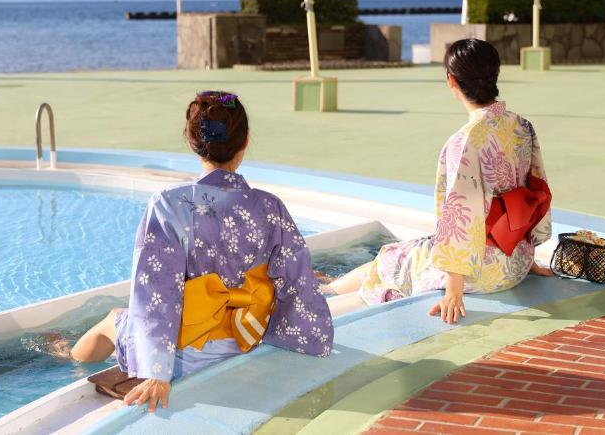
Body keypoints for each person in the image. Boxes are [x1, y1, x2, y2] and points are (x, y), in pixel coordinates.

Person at [71, 91, 334, 411]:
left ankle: (67, 363)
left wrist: (157, 371)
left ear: (192, 141)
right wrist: (309, 340)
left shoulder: (169, 205)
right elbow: (297, 283)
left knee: (113, 319)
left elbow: (155, 294)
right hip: (246, 339)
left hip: (186, 355)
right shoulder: (269, 206)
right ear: (245, 140)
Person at [325, 38, 554, 323]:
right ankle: (328, 287)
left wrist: (453, 291)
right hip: (517, 261)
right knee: (411, 250)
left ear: (451, 81)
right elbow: (536, 190)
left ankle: (326, 290)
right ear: (496, 74)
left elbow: (460, 218)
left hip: (482, 273)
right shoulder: (522, 125)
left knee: (393, 256)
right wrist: (529, 259)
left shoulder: (465, 141)